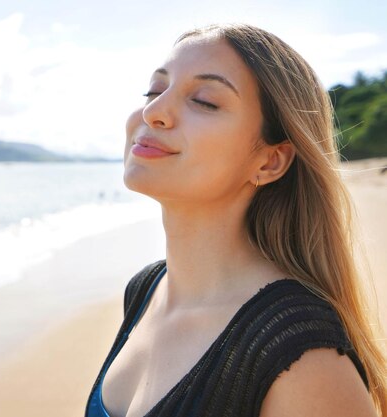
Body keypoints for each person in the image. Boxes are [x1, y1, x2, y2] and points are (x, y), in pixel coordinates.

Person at [84, 24, 386, 417]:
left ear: (269, 160)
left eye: (205, 101)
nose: (153, 112)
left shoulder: (302, 357)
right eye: (154, 91)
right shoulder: (145, 291)